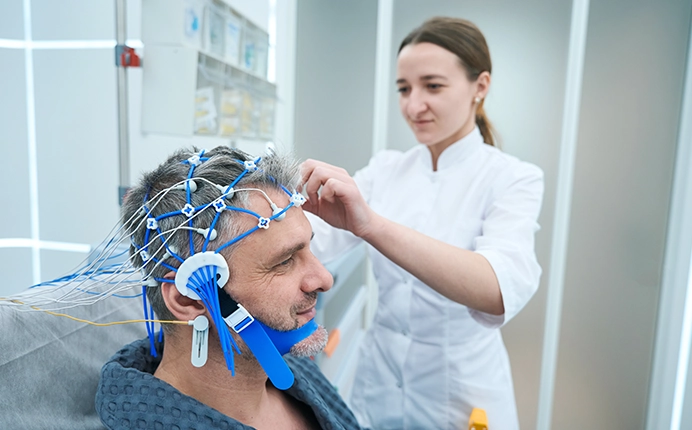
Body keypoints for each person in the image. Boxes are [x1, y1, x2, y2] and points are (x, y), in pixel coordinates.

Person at [302, 17, 544, 429]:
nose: (414, 106)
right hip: (379, 383)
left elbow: (495, 289)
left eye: (433, 86)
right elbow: (317, 242)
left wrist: (372, 225)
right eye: (404, 89)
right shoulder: (386, 169)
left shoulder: (512, 178)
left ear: (480, 87)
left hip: (460, 395)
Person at [95, 146, 363, 430]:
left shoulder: (290, 370)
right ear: (190, 300)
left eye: (309, 248)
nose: (324, 279)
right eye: (284, 261)